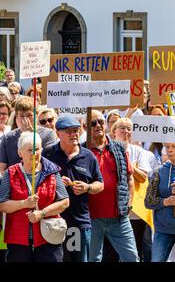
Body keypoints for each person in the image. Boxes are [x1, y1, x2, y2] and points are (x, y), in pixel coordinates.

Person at [42, 116, 104, 262]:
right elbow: (37, 181)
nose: (74, 134)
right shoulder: (48, 154)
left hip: (78, 221)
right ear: (58, 133)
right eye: (68, 131)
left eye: (76, 131)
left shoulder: (88, 155)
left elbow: (100, 184)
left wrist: (87, 187)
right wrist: (55, 183)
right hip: (52, 221)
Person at [0, 132, 69, 262]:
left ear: (42, 150)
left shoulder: (52, 171)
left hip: (48, 235)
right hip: (18, 237)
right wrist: (24, 204)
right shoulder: (11, 172)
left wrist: (42, 213)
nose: (34, 153)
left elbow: (65, 202)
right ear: (20, 153)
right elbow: (2, 204)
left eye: (37, 149)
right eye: (30, 150)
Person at [85, 110, 139, 262]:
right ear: (84, 126)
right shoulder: (82, 151)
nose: (98, 126)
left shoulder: (118, 148)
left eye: (101, 122)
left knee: (131, 258)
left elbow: (129, 179)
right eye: (93, 123)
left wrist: (129, 204)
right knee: (92, 259)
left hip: (118, 217)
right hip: (91, 218)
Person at [111, 117, 157, 262]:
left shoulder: (139, 151)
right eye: (122, 128)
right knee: (113, 251)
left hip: (136, 210)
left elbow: (143, 177)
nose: (126, 131)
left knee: (136, 250)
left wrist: (129, 165)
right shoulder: (108, 150)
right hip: (113, 208)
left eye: (129, 128)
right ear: (114, 132)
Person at [0, 96, 58, 174]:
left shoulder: (48, 134)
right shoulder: (7, 138)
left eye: (29, 115)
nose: (25, 119)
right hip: (14, 183)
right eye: (22, 116)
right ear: (16, 117)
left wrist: (31, 135)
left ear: (36, 115)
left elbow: (49, 164)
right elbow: (2, 168)